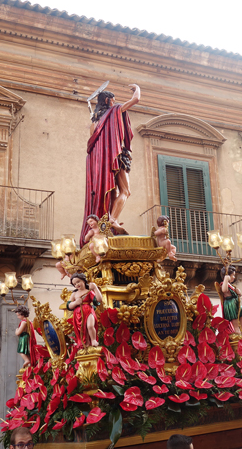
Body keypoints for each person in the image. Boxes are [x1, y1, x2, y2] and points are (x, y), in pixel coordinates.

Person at [81, 83, 141, 244]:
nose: (114, 104)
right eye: (113, 101)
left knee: (111, 192)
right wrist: (137, 89)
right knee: (125, 191)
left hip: (100, 164)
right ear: (107, 100)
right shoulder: (115, 110)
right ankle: (112, 220)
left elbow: (92, 147)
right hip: (117, 157)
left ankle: (111, 220)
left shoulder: (94, 123)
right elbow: (136, 99)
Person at [67, 273, 103, 347]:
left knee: (90, 326)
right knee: (82, 329)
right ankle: (85, 343)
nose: (77, 284)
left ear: (83, 280)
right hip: (78, 313)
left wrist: (95, 288)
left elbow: (99, 300)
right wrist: (75, 303)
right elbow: (69, 305)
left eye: (78, 281)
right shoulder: (74, 294)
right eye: (75, 284)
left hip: (88, 310)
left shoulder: (89, 291)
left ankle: (93, 340)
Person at [220, 264, 242, 335]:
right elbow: (224, 290)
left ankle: (241, 327)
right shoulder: (224, 283)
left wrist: (238, 292)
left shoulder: (231, 285)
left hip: (235, 302)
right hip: (230, 303)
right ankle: (236, 328)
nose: (234, 277)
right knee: (234, 317)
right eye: (233, 275)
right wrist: (226, 279)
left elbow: (236, 293)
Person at [14, 305, 36, 369]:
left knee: (21, 351)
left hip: (23, 337)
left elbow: (18, 333)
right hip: (26, 337)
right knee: (27, 352)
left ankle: (27, 360)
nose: (18, 317)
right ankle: (29, 363)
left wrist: (16, 330)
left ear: (22, 314)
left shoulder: (24, 322)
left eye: (18, 315)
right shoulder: (28, 321)